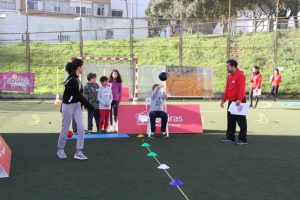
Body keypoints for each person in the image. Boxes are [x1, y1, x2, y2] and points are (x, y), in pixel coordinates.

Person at [57, 59, 94, 160]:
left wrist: (86, 105)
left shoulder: (77, 79)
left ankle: (78, 152)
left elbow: (78, 96)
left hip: (77, 106)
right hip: (68, 106)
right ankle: (60, 149)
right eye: (83, 66)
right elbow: (77, 95)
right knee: (65, 129)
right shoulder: (72, 80)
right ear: (79, 67)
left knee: (81, 129)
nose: (83, 68)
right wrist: (90, 106)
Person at [220, 59, 247, 145]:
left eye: (228, 66)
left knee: (241, 121)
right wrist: (223, 100)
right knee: (230, 120)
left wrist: (239, 99)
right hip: (231, 101)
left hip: (239, 101)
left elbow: (242, 89)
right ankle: (230, 137)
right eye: (227, 66)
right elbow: (227, 90)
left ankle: (243, 139)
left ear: (233, 67)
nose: (227, 68)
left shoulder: (240, 75)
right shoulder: (229, 77)